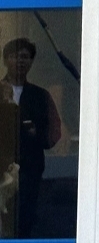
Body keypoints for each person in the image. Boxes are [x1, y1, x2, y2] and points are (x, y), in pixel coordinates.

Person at [2, 39, 60, 238]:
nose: (20, 61)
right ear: (5, 60)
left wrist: (36, 133)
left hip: (30, 172)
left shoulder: (40, 96)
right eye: (14, 56)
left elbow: (53, 133)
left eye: (25, 57)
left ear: (31, 62)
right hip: (1, 171)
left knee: (26, 221)